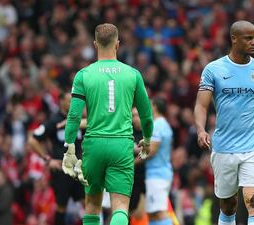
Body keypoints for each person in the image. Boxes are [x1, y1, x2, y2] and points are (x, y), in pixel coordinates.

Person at [62, 23, 153, 225]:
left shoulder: (83, 75)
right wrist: (146, 139)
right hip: (122, 145)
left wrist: (69, 147)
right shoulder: (133, 74)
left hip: (93, 145)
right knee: (120, 207)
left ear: (95, 44)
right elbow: (146, 115)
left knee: (92, 204)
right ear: (118, 44)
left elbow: (74, 116)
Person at [194, 20, 254, 225]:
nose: (253, 42)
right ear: (234, 39)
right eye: (248, 38)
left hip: (253, 148)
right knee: (229, 205)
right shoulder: (213, 70)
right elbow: (201, 105)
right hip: (224, 148)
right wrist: (200, 129)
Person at [28, 92, 84, 225]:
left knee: (88, 204)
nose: (73, 104)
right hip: (62, 171)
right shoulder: (54, 121)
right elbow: (32, 140)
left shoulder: (80, 120)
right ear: (61, 102)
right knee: (61, 207)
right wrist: (48, 159)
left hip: (79, 169)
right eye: (70, 101)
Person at [144, 97, 173, 225]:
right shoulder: (164, 124)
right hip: (161, 172)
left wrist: (131, 160)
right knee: (153, 213)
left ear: (154, 106)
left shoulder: (157, 125)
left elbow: (152, 150)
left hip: (157, 175)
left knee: (159, 212)